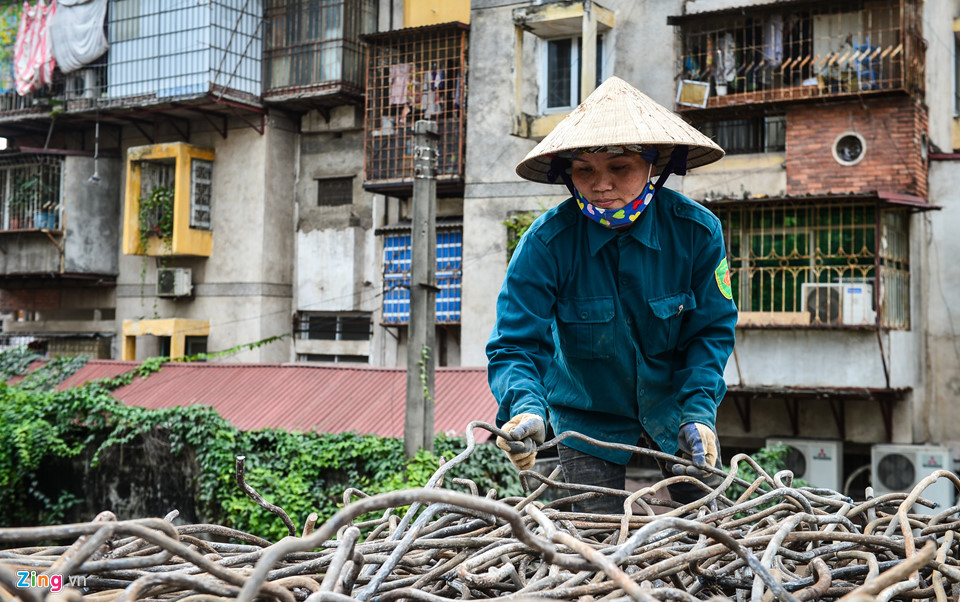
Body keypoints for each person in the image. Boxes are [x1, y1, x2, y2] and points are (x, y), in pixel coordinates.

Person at [486, 76, 737, 513]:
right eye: (585, 170)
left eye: (619, 168)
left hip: (675, 405)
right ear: (569, 173)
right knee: (593, 543)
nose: (601, 185)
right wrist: (525, 406)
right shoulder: (546, 244)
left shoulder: (698, 232)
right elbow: (514, 343)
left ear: (653, 165)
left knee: (708, 533)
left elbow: (711, 331)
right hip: (587, 415)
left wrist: (699, 410)